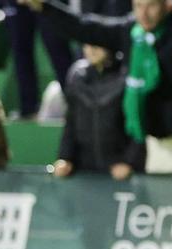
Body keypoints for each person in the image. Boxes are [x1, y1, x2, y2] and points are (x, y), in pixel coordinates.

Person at [21, 0, 172, 175]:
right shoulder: (131, 32)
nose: (144, 14)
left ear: (167, 5)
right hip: (158, 143)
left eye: (151, 6)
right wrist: (45, 6)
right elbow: (84, 27)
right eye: (138, 6)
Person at [52, 44, 145, 180]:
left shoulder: (128, 76)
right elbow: (71, 122)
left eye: (98, 44)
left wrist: (129, 162)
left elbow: (138, 124)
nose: (92, 49)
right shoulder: (77, 76)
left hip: (120, 172)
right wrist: (65, 158)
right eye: (87, 44)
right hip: (84, 171)